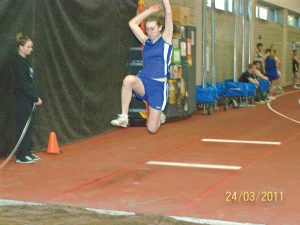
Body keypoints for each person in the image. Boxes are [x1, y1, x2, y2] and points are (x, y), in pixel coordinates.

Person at [111, 0, 173, 134]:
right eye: (147, 29)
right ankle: (124, 117)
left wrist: (165, 2)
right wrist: (150, 11)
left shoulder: (166, 40)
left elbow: (168, 13)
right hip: (144, 82)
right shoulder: (146, 41)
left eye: (153, 29)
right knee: (128, 80)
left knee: (151, 129)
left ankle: (159, 114)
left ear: (160, 28)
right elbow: (132, 23)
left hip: (158, 87)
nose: (149, 32)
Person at [13, 33, 43, 163]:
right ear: (21, 47)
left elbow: (30, 81)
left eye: (32, 47)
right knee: (23, 127)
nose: (31, 49)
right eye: (29, 46)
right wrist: (35, 97)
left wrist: (34, 97)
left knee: (29, 127)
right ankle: (21, 156)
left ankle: (27, 151)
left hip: (28, 100)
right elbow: (24, 83)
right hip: (22, 101)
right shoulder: (17, 62)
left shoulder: (26, 62)